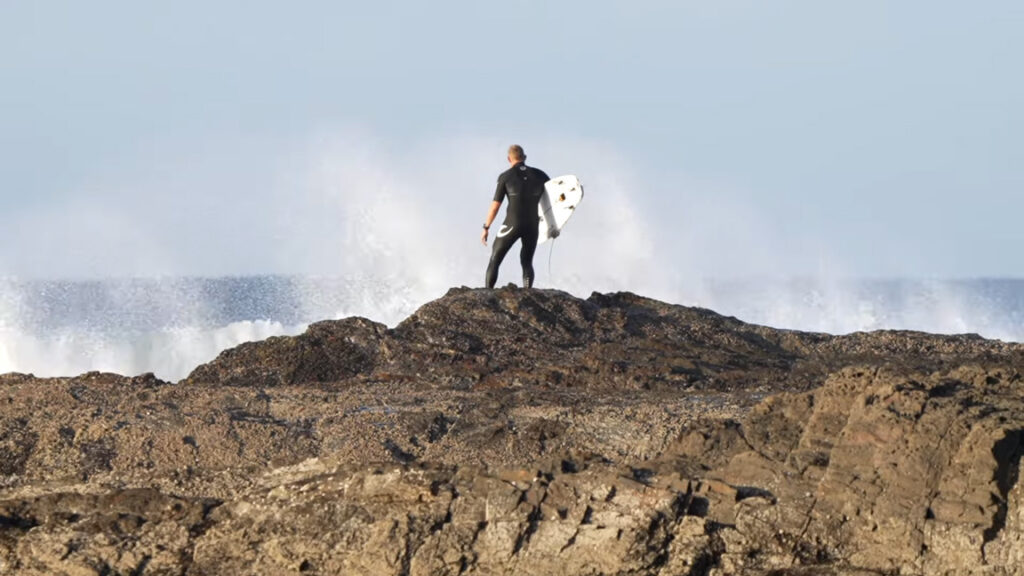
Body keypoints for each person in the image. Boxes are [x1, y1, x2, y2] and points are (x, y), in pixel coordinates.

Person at [481, 145, 550, 288]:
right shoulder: (540, 175)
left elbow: (495, 206)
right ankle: (527, 291)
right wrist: (553, 225)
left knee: (495, 259)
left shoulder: (505, 177)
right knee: (527, 261)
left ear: (509, 159)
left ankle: (487, 293)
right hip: (532, 225)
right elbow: (555, 198)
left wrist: (486, 227)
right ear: (524, 157)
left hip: (512, 223)